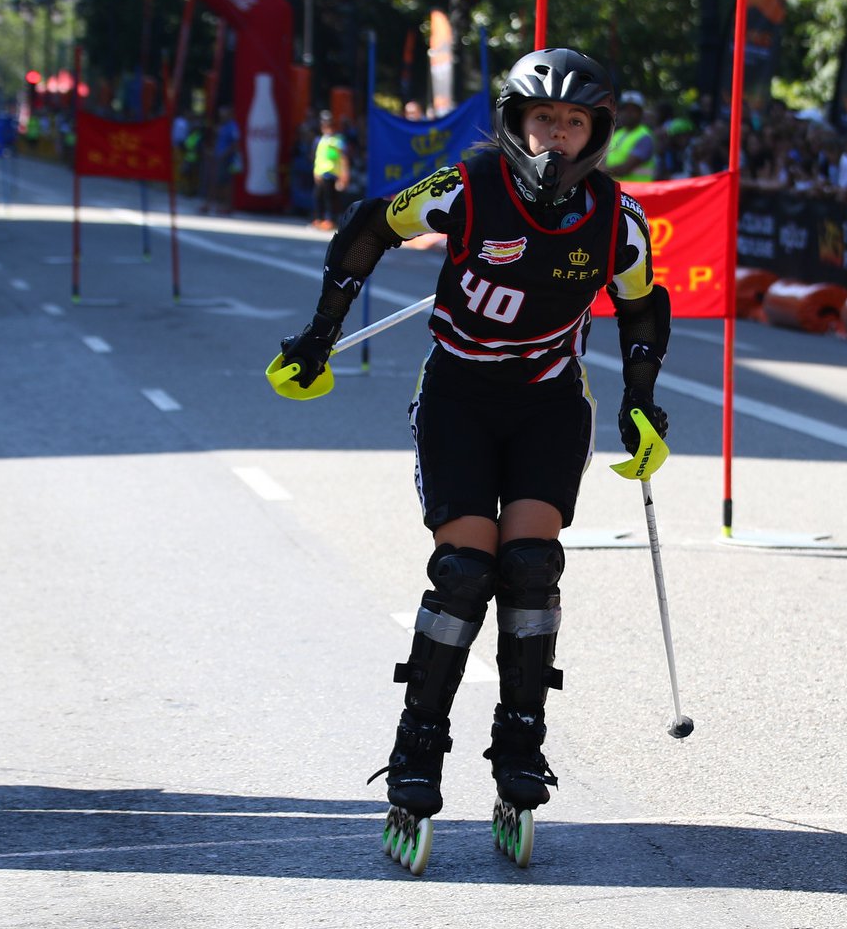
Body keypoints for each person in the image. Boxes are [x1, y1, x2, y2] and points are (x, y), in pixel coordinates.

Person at [269, 49, 668, 865]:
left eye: (574, 122)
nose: (556, 135)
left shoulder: (616, 218)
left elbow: (642, 305)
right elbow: (369, 226)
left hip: (548, 402)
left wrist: (640, 398)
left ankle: (520, 752)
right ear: (516, 123)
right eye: (543, 119)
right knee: (464, 572)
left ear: (596, 133)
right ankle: (415, 759)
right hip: (459, 395)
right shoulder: (467, 187)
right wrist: (319, 335)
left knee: (531, 564)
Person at [606, 90, 657, 182]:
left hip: (638, 189)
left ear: (641, 113)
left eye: (633, 110)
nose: (627, 113)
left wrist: (598, 172)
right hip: (617, 188)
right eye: (624, 109)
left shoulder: (644, 137)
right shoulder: (617, 134)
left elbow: (624, 169)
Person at [310, 110, 349, 230]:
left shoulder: (338, 140)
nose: (327, 128)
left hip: (332, 173)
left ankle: (329, 220)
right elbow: (317, 157)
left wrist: (344, 174)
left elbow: (343, 158)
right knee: (318, 196)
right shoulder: (320, 140)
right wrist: (315, 172)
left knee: (330, 198)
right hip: (320, 173)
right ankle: (319, 219)